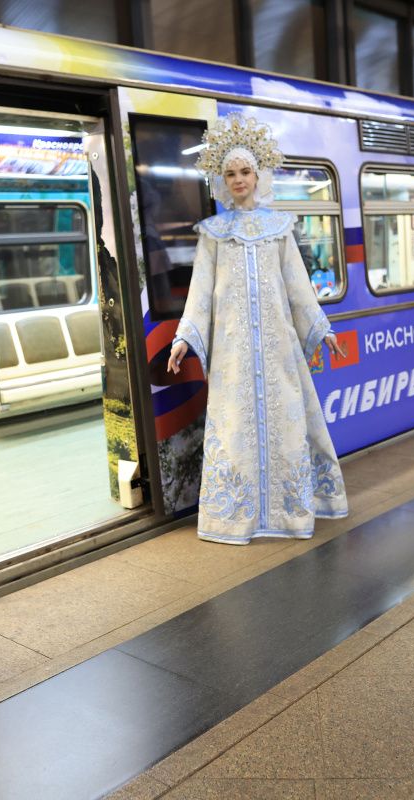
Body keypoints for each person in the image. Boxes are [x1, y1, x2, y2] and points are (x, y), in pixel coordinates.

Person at [167, 113, 349, 544]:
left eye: (245, 171)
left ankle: (290, 513)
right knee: (235, 430)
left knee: (287, 426)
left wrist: (321, 328)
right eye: (230, 173)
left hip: (278, 350)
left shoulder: (280, 229)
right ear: (221, 179)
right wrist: (184, 337)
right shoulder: (212, 234)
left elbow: (298, 286)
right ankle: (236, 517)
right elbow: (201, 292)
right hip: (233, 358)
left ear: (258, 174)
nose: (238, 179)